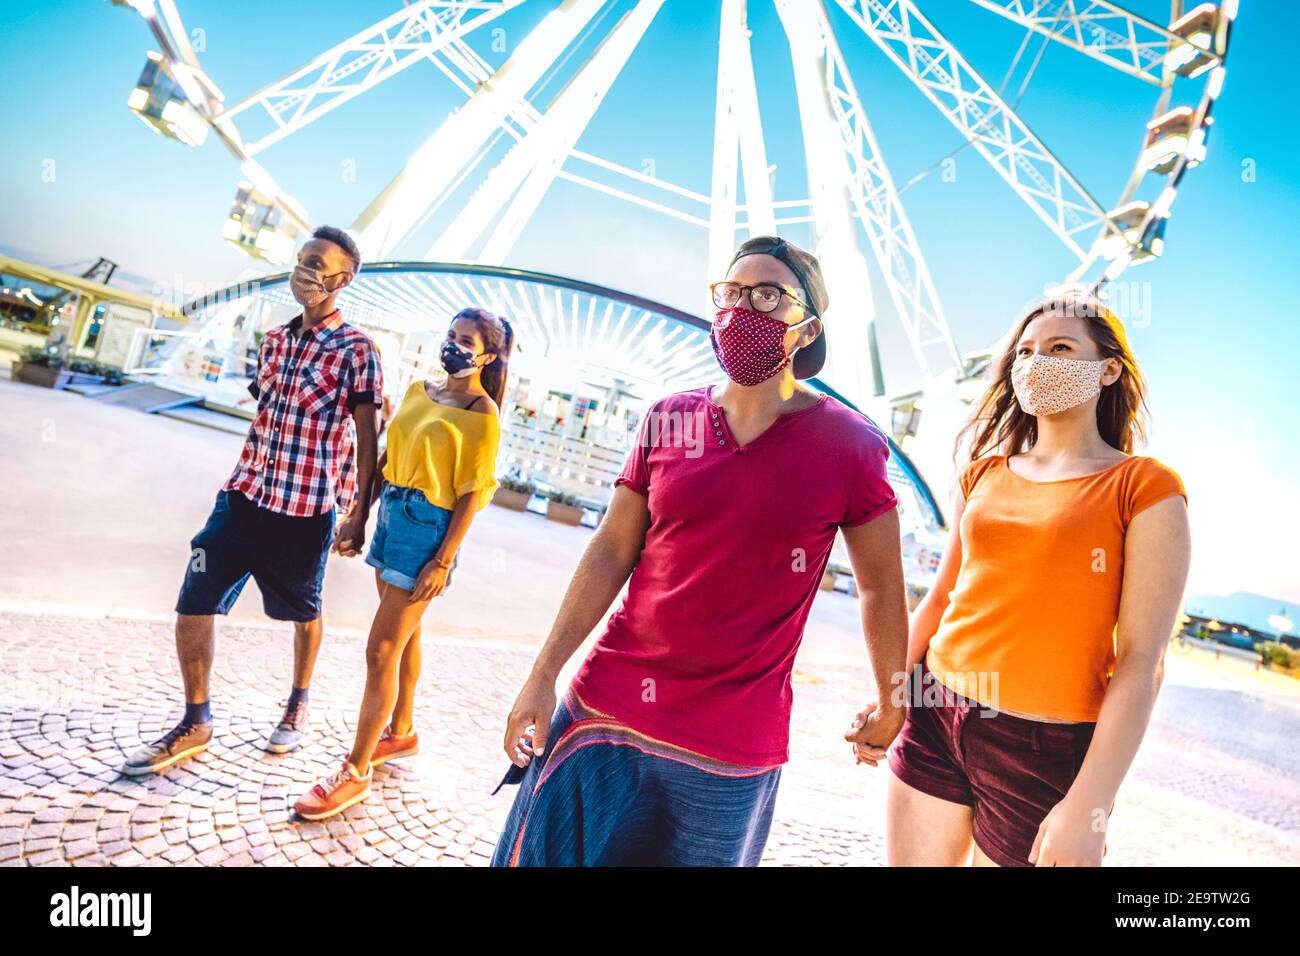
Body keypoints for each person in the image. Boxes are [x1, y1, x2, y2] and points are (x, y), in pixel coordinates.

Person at [491, 235, 909, 866]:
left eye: (769, 295)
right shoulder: (668, 418)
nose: (745, 309)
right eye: (733, 292)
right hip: (607, 708)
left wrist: (892, 696)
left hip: (731, 747)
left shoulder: (851, 446)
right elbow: (610, 550)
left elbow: (880, 585)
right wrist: (542, 674)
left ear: (807, 327)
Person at [884, 292, 1191, 867]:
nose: (1035, 362)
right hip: (937, 712)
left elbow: (1142, 660)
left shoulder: (1144, 487)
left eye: (1058, 347)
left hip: (1042, 748)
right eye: (1024, 351)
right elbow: (941, 598)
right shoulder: (982, 473)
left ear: (1107, 370)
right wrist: (891, 697)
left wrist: (1090, 804)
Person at [123, 226, 382, 775]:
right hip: (243, 494)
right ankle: (197, 719)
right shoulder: (273, 340)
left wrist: (358, 512)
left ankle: (298, 700)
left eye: (318, 264)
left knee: (304, 611)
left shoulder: (357, 349)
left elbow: (367, 435)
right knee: (194, 599)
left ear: (344, 278)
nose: (306, 271)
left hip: (305, 509)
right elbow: (266, 413)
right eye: (302, 260)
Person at [294, 308, 511, 820]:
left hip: (428, 531)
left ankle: (356, 769)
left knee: (381, 649)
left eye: (466, 341)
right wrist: (358, 515)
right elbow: (387, 461)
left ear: (488, 355)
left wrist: (443, 560)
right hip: (393, 513)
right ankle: (402, 731)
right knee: (406, 637)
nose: (454, 347)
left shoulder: (482, 414)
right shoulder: (419, 391)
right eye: (451, 336)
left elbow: (471, 493)